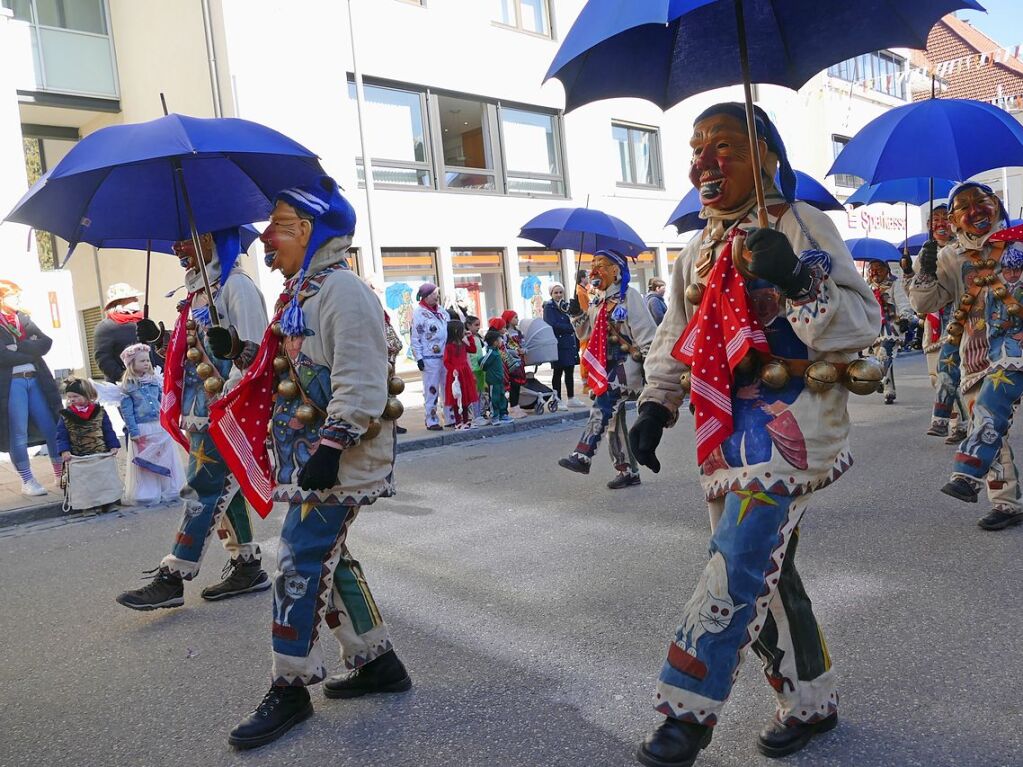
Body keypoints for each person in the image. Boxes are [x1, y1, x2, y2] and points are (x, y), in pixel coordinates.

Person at [628, 103, 879, 766]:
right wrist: (656, 404)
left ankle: (685, 712)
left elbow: (861, 321)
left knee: (735, 562)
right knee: (770, 568)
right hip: (722, 432)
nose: (703, 163)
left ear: (765, 155)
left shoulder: (799, 223)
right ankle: (810, 700)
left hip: (790, 426)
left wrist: (794, 275)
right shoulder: (695, 248)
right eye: (696, 149)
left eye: (723, 147)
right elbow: (673, 336)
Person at [207, 176, 409, 749]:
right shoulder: (301, 294)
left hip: (338, 459)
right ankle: (378, 663)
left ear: (311, 229)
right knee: (331, 559)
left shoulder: (342, 291)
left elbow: (361, 380)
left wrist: (329, 446)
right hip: (309, 457)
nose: (266, 236)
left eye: (279, 224)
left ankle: (290, 684)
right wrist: (240, 351)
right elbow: (288, 374)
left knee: (297, 562)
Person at [115, 227, 270, 611]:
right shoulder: (199, 291)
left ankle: (173, 576)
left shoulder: (236, 287)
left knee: (202, 488)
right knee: (221, 485)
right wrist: (161, 340)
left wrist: (232, 380)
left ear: (213, 240)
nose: (177, 246)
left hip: (226, 411)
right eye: (178, 239)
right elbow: (196, 354)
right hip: (202, 411)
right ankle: (246, 564)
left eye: (188, 238)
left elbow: (257, 357)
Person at [908, 182, 1023, 531]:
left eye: (981, 201)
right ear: (955, 219)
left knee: (991, 407)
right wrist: (923, 271)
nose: (974, 210)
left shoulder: (1018, 242)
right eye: (963, 207)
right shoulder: (948, 256)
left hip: (1015, 344)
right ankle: (1006, 504)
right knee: (989, 428)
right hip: (974, 355)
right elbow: (924, 304)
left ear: (997, 204)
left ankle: (967, 469)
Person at [558, 249, 655, 490]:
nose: (594, 270)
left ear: (616, 271)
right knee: (612, 420)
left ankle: (583, 454)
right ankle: (627, 470)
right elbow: (586, 334)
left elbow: (647, 335)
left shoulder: (629, 297)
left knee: (603, 406)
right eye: (593, 264)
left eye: (601, 264)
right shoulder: (596, 301)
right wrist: (576, 314)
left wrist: (651, 371)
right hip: (605, 366)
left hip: (626, 365)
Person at [0, 280, 62, 496]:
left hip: (35, 378)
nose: (18, 300)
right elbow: (1, 355)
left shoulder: (22, 318)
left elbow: (45, 342)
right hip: (11, 383)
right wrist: (31, 350)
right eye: (14, 296)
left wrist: (18, 347)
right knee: (17, 432)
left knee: (51, 427)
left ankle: (59, 474)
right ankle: (27, 481)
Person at [920, 205, 968, 441]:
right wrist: (911, 271)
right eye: (934, 220)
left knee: (956, 373)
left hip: (959, 322)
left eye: (944, 219)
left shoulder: (962, 250)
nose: (940, 224)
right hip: (933, 324)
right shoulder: (924, 253)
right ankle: (953, 420)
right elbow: (915, 295)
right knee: (936, 376)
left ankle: (960, 424)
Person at [119, 343, 184, 506]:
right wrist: (133, 431)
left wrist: (170, 420)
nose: (147, 364)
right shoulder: (128, 387)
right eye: (142, 361)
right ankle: (148, 491)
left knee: (165, 456)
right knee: (148, 458)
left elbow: (163, 402)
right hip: (143, 428)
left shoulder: (156, 381)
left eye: (147, 360)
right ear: (131, 364)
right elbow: (128, 412)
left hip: (159, 426)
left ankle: (169, 487)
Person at [56, 377, 121, 513]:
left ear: (88, 395)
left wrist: (113, 445)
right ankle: (88, 505)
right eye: (69, 397)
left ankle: (108, 502)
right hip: (79, 454)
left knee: (103, 478)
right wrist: (64, 450)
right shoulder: (66, 416)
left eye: (75, 396)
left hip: (100, 451)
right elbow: (62, 435)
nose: (72, 399)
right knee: (84, 482)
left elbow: (107, 430)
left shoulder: (99, 412)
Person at [92, 283, 159, 383]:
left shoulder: (145, 320)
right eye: (132, 298)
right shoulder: (106, 327)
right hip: (123, 386)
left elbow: (156, 348)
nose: (136, 300)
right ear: (119, 302)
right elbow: (103, 360)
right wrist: (126, 378)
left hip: (152, 381)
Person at [411, 283, 448, 431]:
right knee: (431, 389)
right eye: (434, 295)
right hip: (429, 357)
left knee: (447, 388)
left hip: (445, 356)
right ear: (426, 296)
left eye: (437, 294)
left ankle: (450, 416)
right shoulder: (419, 313)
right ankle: (431, 419)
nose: (437, 297)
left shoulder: (442, 311)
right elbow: (415, 337)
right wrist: (419, 357)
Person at [543, 283, 583, 407]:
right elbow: (552, 324)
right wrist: (570, 327)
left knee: (570, 371)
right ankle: (557, 399)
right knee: (558, 372)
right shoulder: (549, 307)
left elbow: (574, 318)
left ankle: (571, 398)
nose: (559, 295)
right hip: (558, 344)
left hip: (569, 343)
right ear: (551, 294)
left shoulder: (565, 305)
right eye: (556, 292)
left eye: (561, 292)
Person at [866, 260, 900, 404]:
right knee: (883, 357)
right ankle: (889, 390)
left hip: (891, 326)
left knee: (884, 354)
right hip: (874, 328)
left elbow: (903, 302)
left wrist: (906, 317)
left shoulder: (894, 285)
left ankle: (880, 379)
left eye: (878, 269)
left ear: (886, 270)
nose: (875, 272)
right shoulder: (867, 288)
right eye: (872, 269)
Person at [443, 319, 479, 429]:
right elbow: (446, 361)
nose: (464, 331)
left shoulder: (463, 342)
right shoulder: (449, 346)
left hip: (465, 372)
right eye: (462, 329)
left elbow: (473, 349)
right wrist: (452, 369)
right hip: (455, 374)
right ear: (456, 330)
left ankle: (466, 420)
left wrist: (470, 337)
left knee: (465, 397)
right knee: (457, 397)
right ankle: (458, 422)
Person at [480, 328, 510, 423]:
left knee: (502, 397)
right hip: (493, 380)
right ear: (494, 342)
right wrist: (485, 369)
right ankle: (494, 416)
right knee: (494, 398)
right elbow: (482, 363)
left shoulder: (497, 351)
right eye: (500, 340)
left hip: (499, 380)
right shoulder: (491, 352)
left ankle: (503, 414)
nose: (501, 341)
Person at [502, 310, 528, 418]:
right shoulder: (505, 334)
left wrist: (524, 350)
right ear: (508, 319)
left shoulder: (519, 332)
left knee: (518, 384)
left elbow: (523, 344)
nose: (517, 319)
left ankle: (516, 405)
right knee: (514, 383)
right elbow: (504, 348)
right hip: (511, 361)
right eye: (515, 317)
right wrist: (515, 351)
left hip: (519, 360)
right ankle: (513, 406)